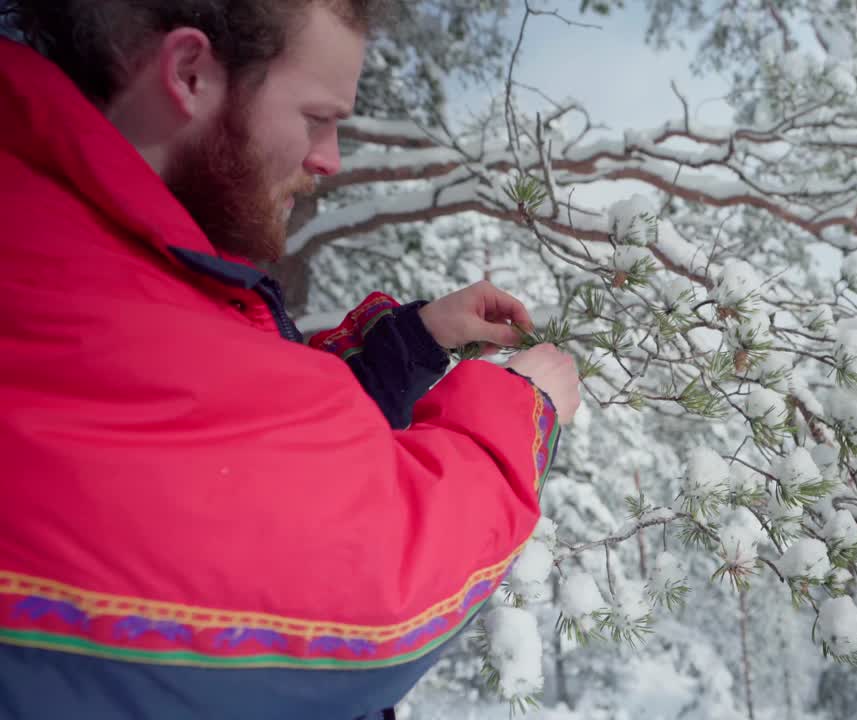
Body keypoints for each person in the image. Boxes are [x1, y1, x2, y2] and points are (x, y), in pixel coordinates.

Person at [0, 1, 581, 718]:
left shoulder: (83, 232)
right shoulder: (64, 287)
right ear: (188, 73)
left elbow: (241, 463)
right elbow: (375, 595)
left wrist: (414, 343)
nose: (329, 157)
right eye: (315, 116)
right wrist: (519, 415)